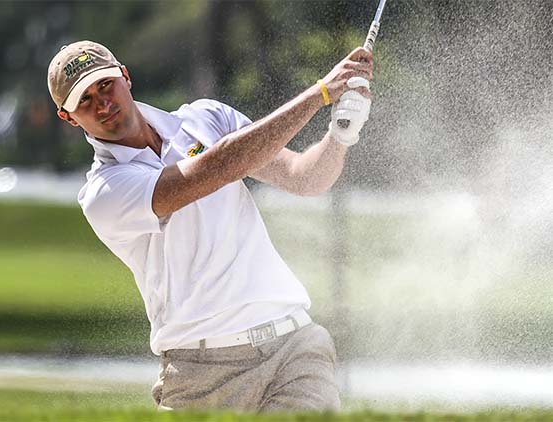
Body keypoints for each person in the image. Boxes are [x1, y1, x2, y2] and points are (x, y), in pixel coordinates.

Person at [47, 40, 372, 412]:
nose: (102, 103)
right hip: (202, 375)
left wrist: (341, 135)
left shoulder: (206, 118)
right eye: (84, 100)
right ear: (69, 118)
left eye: (105, 85)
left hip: (294, 349)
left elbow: (305, 178)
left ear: (125, 76)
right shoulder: (104, 191)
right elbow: (214, 169)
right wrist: (320, 93)